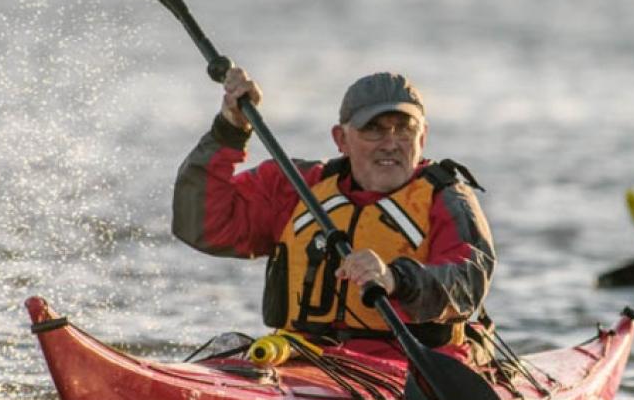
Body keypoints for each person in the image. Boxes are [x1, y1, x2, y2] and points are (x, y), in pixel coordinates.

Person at [172, 68, 496, 361]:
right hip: (300, 359)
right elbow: (200, 222)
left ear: (422, 137)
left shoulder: (447, 198)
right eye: (374, 129)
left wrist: (396, 279)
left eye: (404, 129)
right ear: (341, 139)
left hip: (409, 367)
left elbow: (468, 283)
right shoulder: (297, 187)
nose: (391, 143)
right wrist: (230, 128)